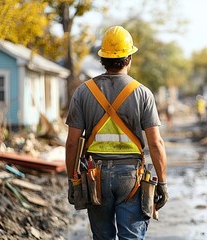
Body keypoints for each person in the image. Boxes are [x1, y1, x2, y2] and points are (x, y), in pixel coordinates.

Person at [65, 26, 168, 239]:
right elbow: (156, 143)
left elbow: (72, 143)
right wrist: (163, 183)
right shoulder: (142, 93)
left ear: (103, 58)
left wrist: (72, 180)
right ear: (129, 58)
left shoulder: (83, 92)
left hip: (95, 176)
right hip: (131, 177)